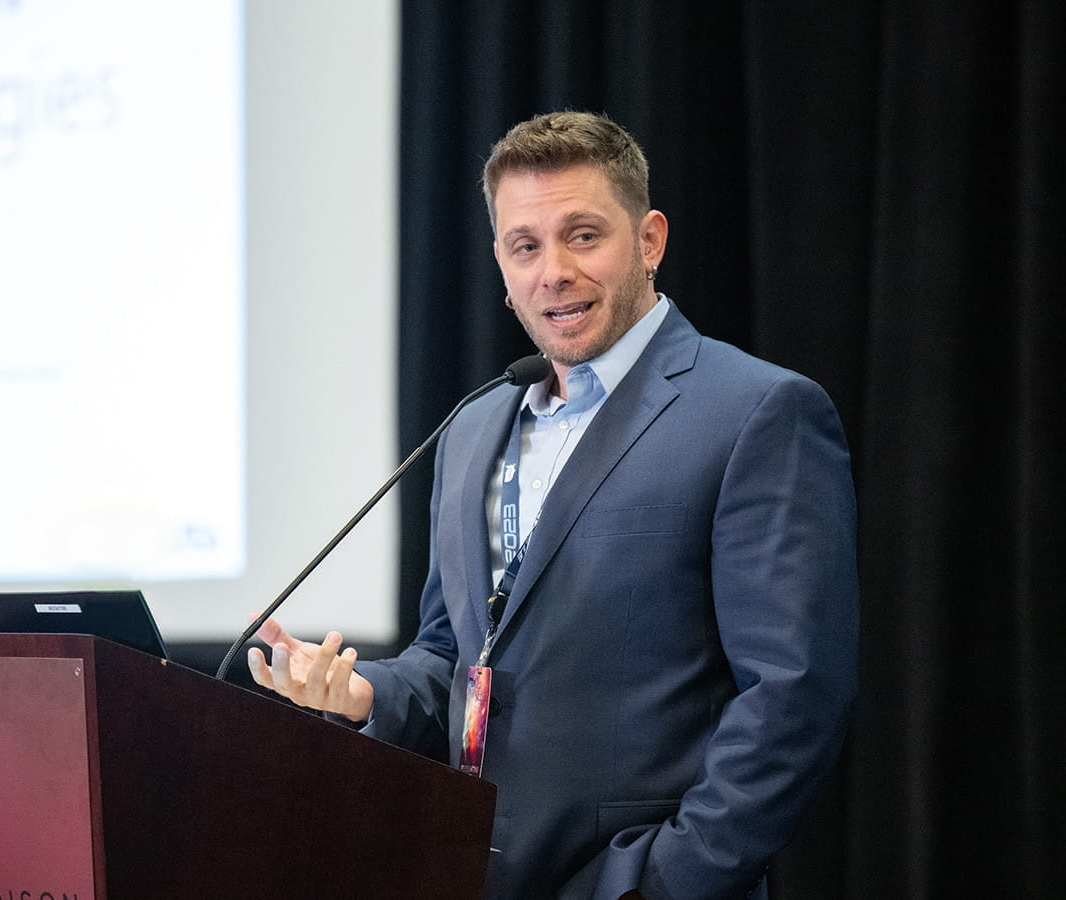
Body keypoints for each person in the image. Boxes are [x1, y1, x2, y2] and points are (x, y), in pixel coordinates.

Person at [247, 111, 858, 899]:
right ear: (501, 263)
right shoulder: (473, 428)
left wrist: (665, 882)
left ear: (649, 241)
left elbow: (793, 697)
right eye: (524, 246)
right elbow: (455, 658)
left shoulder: (757, 413)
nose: (552, 272)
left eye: (583, 236)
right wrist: (367, 698)